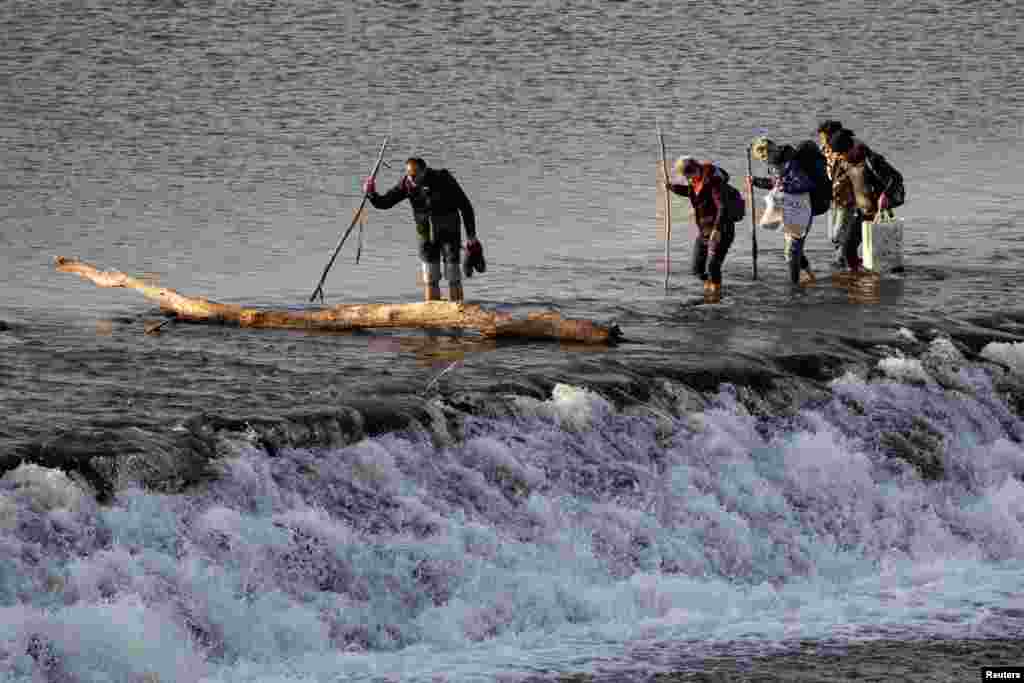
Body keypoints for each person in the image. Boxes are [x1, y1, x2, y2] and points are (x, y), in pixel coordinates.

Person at [363, 157, 481, 302]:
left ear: (424, 171)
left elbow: (466, 206)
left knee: (453, 277)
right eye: (408, 175)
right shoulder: (406, 184)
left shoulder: (443, 178)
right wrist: (371, 194)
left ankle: (459, 312)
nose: (411, 179)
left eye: (414, 175)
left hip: (449, 231)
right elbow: (385, 202)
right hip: (425, 234)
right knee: (430, 278)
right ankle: (432, 317)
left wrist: (471, 236)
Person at [746, 137, 816, 285]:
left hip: (801, 209)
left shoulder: (792, 163)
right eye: (761, 159)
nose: (764, 161)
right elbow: (776, 183)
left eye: (765, 157)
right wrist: (757, 181)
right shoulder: (775, 165)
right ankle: (810, 276)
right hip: (788, 209)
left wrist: (787, 187)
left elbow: (807, 185)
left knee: (792, 251)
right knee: (794, 249)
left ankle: (794, 286)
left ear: (773, 151)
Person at [667, 156, 736, 295]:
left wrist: (716, 230)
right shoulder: (696, 180)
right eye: (686, 177)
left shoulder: (714, 182)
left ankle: (715, 294)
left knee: (712, 266)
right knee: (697, 269)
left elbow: (722, 207)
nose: (688, 179)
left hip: (722, 230)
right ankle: (710, 288)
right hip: (704, 231)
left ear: (696, 169)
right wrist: (672, 187)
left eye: (688, 175)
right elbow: (691, 192)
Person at [821, 127, 866, 272]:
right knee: (833, 236)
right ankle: (843, 260)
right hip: (834, 198)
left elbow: (855, 174)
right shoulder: (827, 151)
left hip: (848, 200)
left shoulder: (851, 153)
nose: (823, 141)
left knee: (839, 234)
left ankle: (844, 261)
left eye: (825, 138)